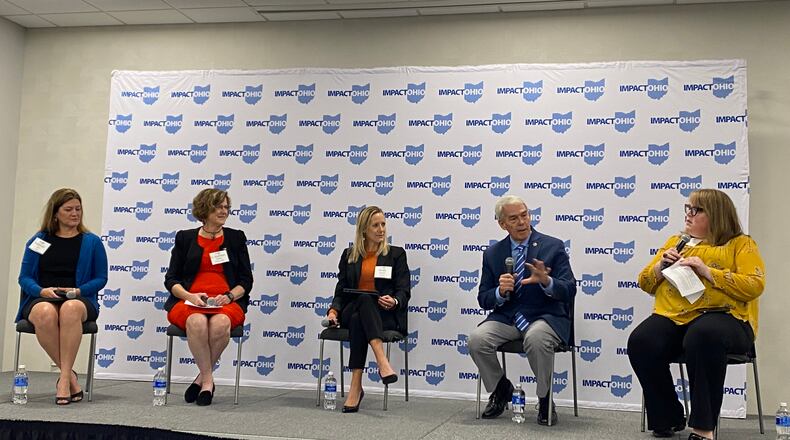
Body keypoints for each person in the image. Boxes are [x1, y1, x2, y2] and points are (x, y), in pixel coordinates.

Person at [628, 189, 764, 440]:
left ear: (716, 215)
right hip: (677, 317)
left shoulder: (740, 244)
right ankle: (667, 417)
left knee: (702, 334)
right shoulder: (676, 242)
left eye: (696, 210)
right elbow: (645, 282)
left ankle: (703, 428)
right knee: (641, 341)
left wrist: (708, 272)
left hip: (728, 319)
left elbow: (754, 285)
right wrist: (661, 267)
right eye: (687, 209)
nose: (688, 216)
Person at [468, 194, 576, 425]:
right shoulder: (493, 253)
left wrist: (547, 281)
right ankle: (501, 389)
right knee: (477, 339)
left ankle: (545, 399)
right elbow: (483, 299)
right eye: (514, 218)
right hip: (508, 317)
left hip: (544, 316)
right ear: (502, 224)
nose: (521, 222)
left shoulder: (552, 246)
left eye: (525, 215)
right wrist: (499, 291)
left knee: (536, 338)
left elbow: (569, 289)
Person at [17, 188, 108, 405]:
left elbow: (101, 278)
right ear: (55, 213)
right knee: (45, 313)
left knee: (70, 309)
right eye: (68, 209)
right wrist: (40, 291)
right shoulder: (38, 240)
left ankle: (64, 380)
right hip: (44, 296)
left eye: (78, 209)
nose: (75, 213)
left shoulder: (91, 241)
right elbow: (25, 277)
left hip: (79, 298)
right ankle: (69, 377)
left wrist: (78, 292)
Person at [164, 188, 253, 406]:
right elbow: (171, 279)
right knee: (197, 323)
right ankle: (208, 381)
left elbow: (246, 281)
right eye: (219, 207)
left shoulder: (235, 238)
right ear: (205, 209)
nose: (224, 211)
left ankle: (202, 380)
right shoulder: (185, 238)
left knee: (220, 324)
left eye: (226, 207)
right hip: (189, 300)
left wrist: (230, 296)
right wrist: (190, 296)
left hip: (226, 301)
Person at [325, 206, 411, 413]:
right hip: (353, 307)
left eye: (383, 224)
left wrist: (395, 301)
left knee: (358, 319)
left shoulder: (396, 254)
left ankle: (356, 386)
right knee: (362, 300)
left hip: (383, 314)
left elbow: (404, 290)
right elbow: (341, 291)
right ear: (364, 229)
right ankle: (382, 361)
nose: (381, 229)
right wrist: (333, 311)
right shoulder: (349, 255)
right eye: (375, 225)